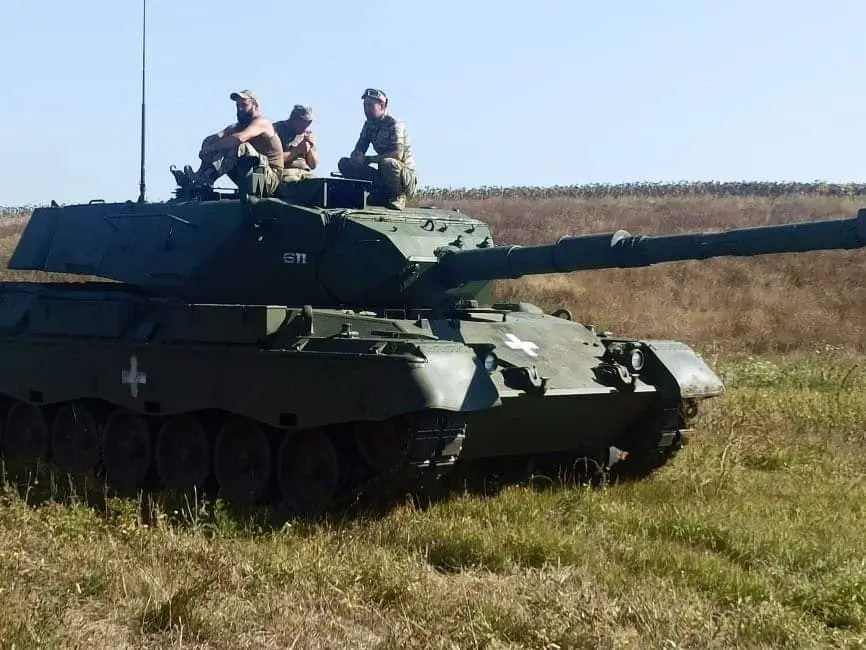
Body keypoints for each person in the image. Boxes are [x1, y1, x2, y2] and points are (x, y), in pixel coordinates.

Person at [172, 89, 284, 196]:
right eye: (237, 106)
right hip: (248, 178)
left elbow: (239, 139)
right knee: (216, 141)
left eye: (244, 105)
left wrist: (212, 148)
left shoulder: (262, 123)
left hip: (265, 183)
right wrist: (208, 146)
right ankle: (200, 178)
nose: (240, 109)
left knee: (239, 145)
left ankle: (207, 178)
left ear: (255, 105)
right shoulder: (238, 127)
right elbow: (218, 136)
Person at [337, 88, 417, 209]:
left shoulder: (394, 123)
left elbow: (397, 155)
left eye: (370, 105)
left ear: (382, 105)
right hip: (383, 175)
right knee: (344, 163)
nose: (366, 109)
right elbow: (359, 148)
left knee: (388, 163)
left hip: (403, 177)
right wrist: (356, 158)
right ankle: (376, 194)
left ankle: (398, 196)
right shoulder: (369, 124)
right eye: (364, 106)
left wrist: (368, 160)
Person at [274, 105, 318, 182]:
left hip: (305, 172)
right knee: (294, 183)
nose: (306, 126)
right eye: (303, 122)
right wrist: (297, 151)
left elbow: (313, 165)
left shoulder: (307, 134)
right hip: (286, 171)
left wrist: (310, 147)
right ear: (294, 118)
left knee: (321, 185)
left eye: (309, 122)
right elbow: (274, 159)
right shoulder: (277, 129)